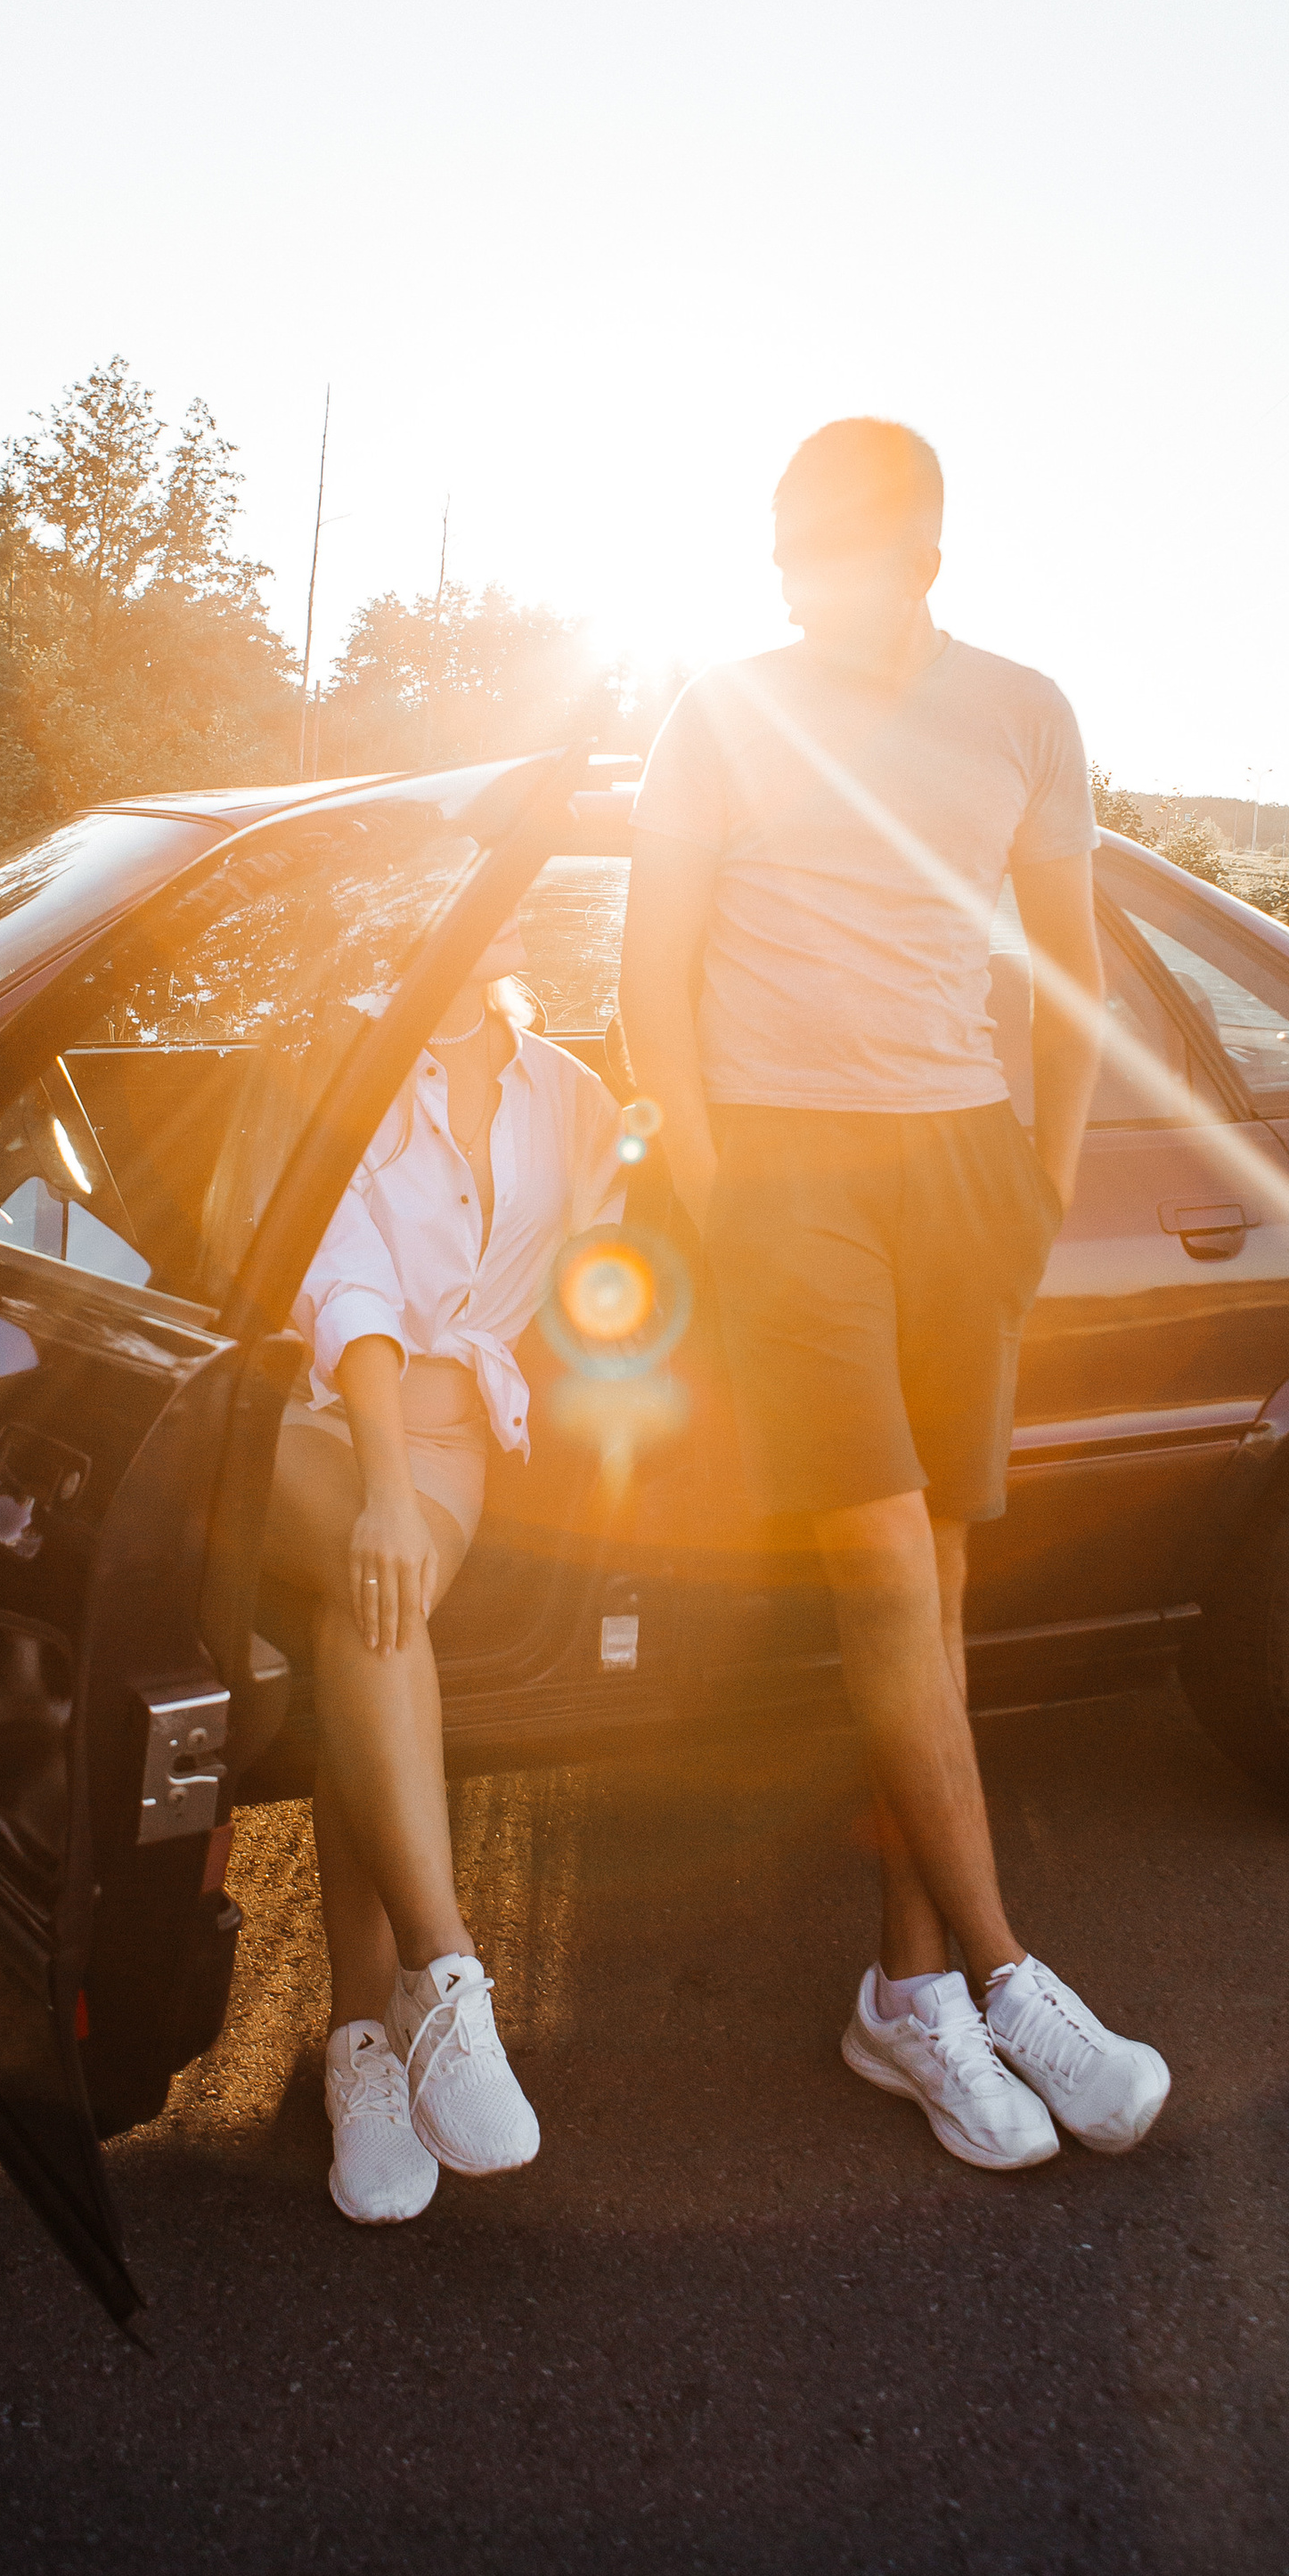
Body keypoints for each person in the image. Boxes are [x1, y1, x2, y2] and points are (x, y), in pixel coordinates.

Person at [618, 419, 1169, 2172]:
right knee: (874, 1573)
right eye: (782, 557)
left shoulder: (1021, 711)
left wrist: (1038, 1186)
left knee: (931, 1591)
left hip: (959, 1177)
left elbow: (1066, 970)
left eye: (828, 557)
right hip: (785, 1184)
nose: (797, 589)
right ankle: (1004, 1978)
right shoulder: (719, 708)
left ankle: (899, 1995)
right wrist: (722, 1201)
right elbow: (644, 980)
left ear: (919, 553)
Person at [263, 907, 624, 2225]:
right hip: (312, 1423)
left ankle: (364, 2042)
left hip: (460, 1436)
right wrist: (379, 1494)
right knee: (376, 1584)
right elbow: (342, 1275)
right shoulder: (350, 1058)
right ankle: (444, 1973)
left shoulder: (567, 1091)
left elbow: (631, 1221)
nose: (503, 917)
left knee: (364, 1622)